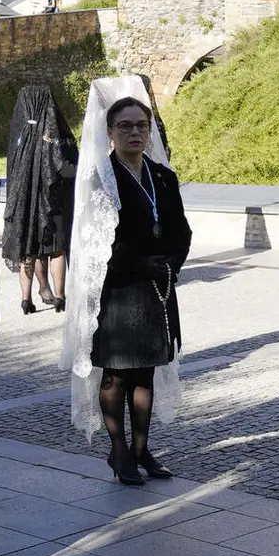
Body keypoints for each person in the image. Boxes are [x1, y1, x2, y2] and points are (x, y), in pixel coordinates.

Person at [60, 76, 192, 485]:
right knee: (116, 373)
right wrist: (140, 263)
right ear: (110, 132)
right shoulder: (102, 179)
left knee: (147, 372)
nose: (134, 132)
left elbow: (181, 230)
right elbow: (95, 241)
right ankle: (119, 451)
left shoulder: (162, 176)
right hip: (117, 289)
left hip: (156, 288)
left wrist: (170, 260)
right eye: (125, 126)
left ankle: (141, 449)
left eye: (141, 125)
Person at [1, 85, 79, 314]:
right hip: (53, 205)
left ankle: (26, 299)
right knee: (56, 250)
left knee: (28, 250)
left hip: (24, 205)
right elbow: (65, 169)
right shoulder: (55, 136)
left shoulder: (20, 137)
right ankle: (60, 296)